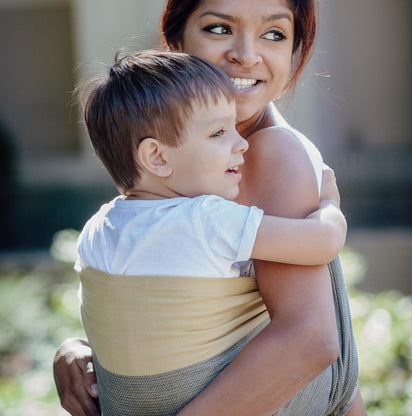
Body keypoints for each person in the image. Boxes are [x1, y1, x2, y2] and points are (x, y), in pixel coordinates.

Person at [54, 1, 367, 415]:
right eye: (220, 28)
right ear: (175, 40)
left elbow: (309, 340)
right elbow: (178, 310)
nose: (247, 54)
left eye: (274, 33)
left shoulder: (269, 153)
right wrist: (77, 352)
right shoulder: (184, 168)